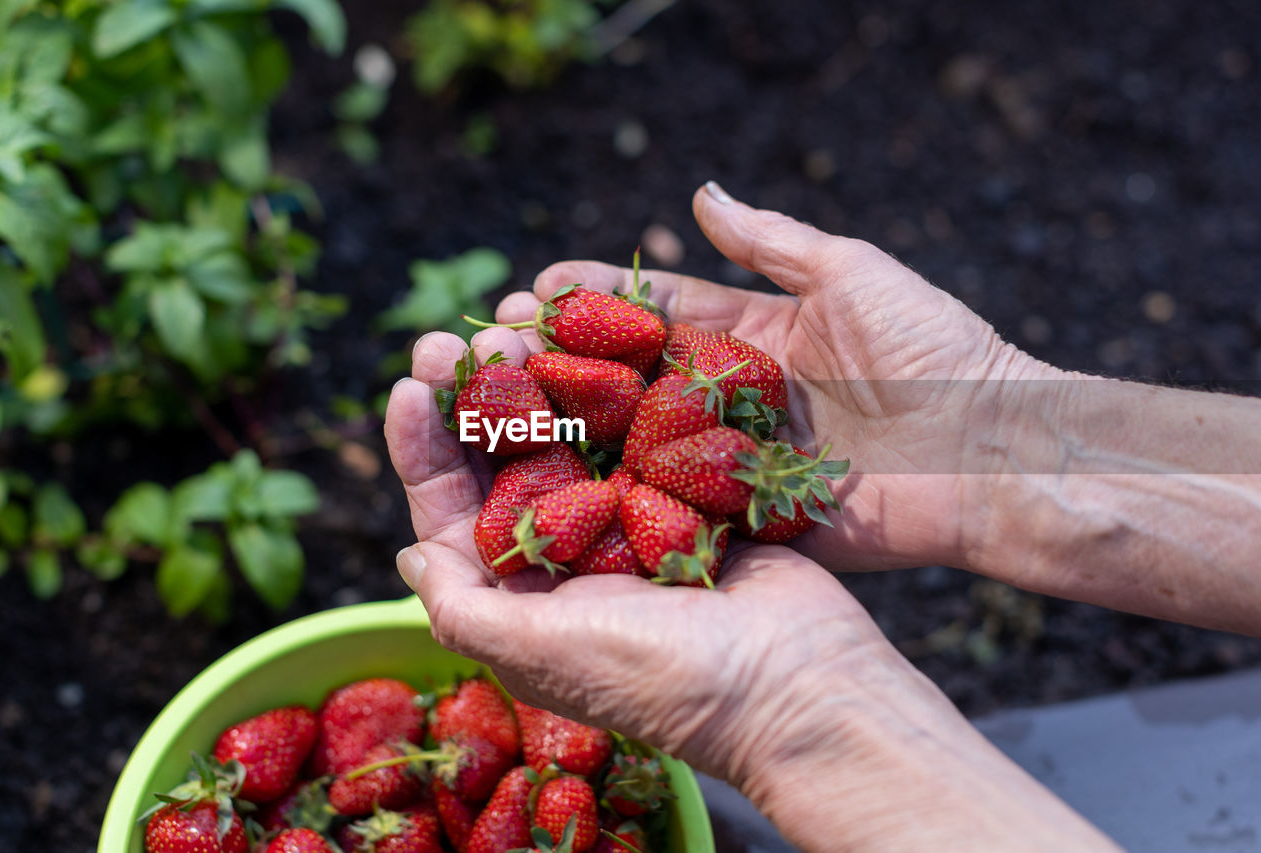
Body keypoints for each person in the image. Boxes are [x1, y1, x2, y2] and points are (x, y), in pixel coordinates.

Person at [384, 182, 1261, 851]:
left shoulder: (658, 437)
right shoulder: (629, 434)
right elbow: (615, 448)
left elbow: (632, 455)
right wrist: (991, 425)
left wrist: (784, 710)